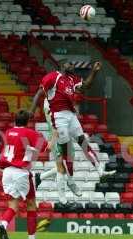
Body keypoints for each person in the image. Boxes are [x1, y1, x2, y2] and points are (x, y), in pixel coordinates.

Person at [30, 60, 115, 204]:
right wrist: (31, 111)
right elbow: (39, 93)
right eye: (70, 64)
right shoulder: (52, 77)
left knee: (83, 142)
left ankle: (100, 170)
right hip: (58, 116)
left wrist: (94, 71)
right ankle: (70, 182)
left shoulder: (72, 79)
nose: (73, 66)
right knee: (66, 152)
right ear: (62, 65)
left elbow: (86, 85)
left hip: (71, 115)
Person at [0, 110, 48, 239]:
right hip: (20, 172)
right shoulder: (30, 133)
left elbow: (3, 152)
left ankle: (3, 223)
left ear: (15, 120)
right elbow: (44, 147)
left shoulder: (7, 132)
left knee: (13, 205)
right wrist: (53, 135)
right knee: (31, 203)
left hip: (7, 172)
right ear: (27, 122)